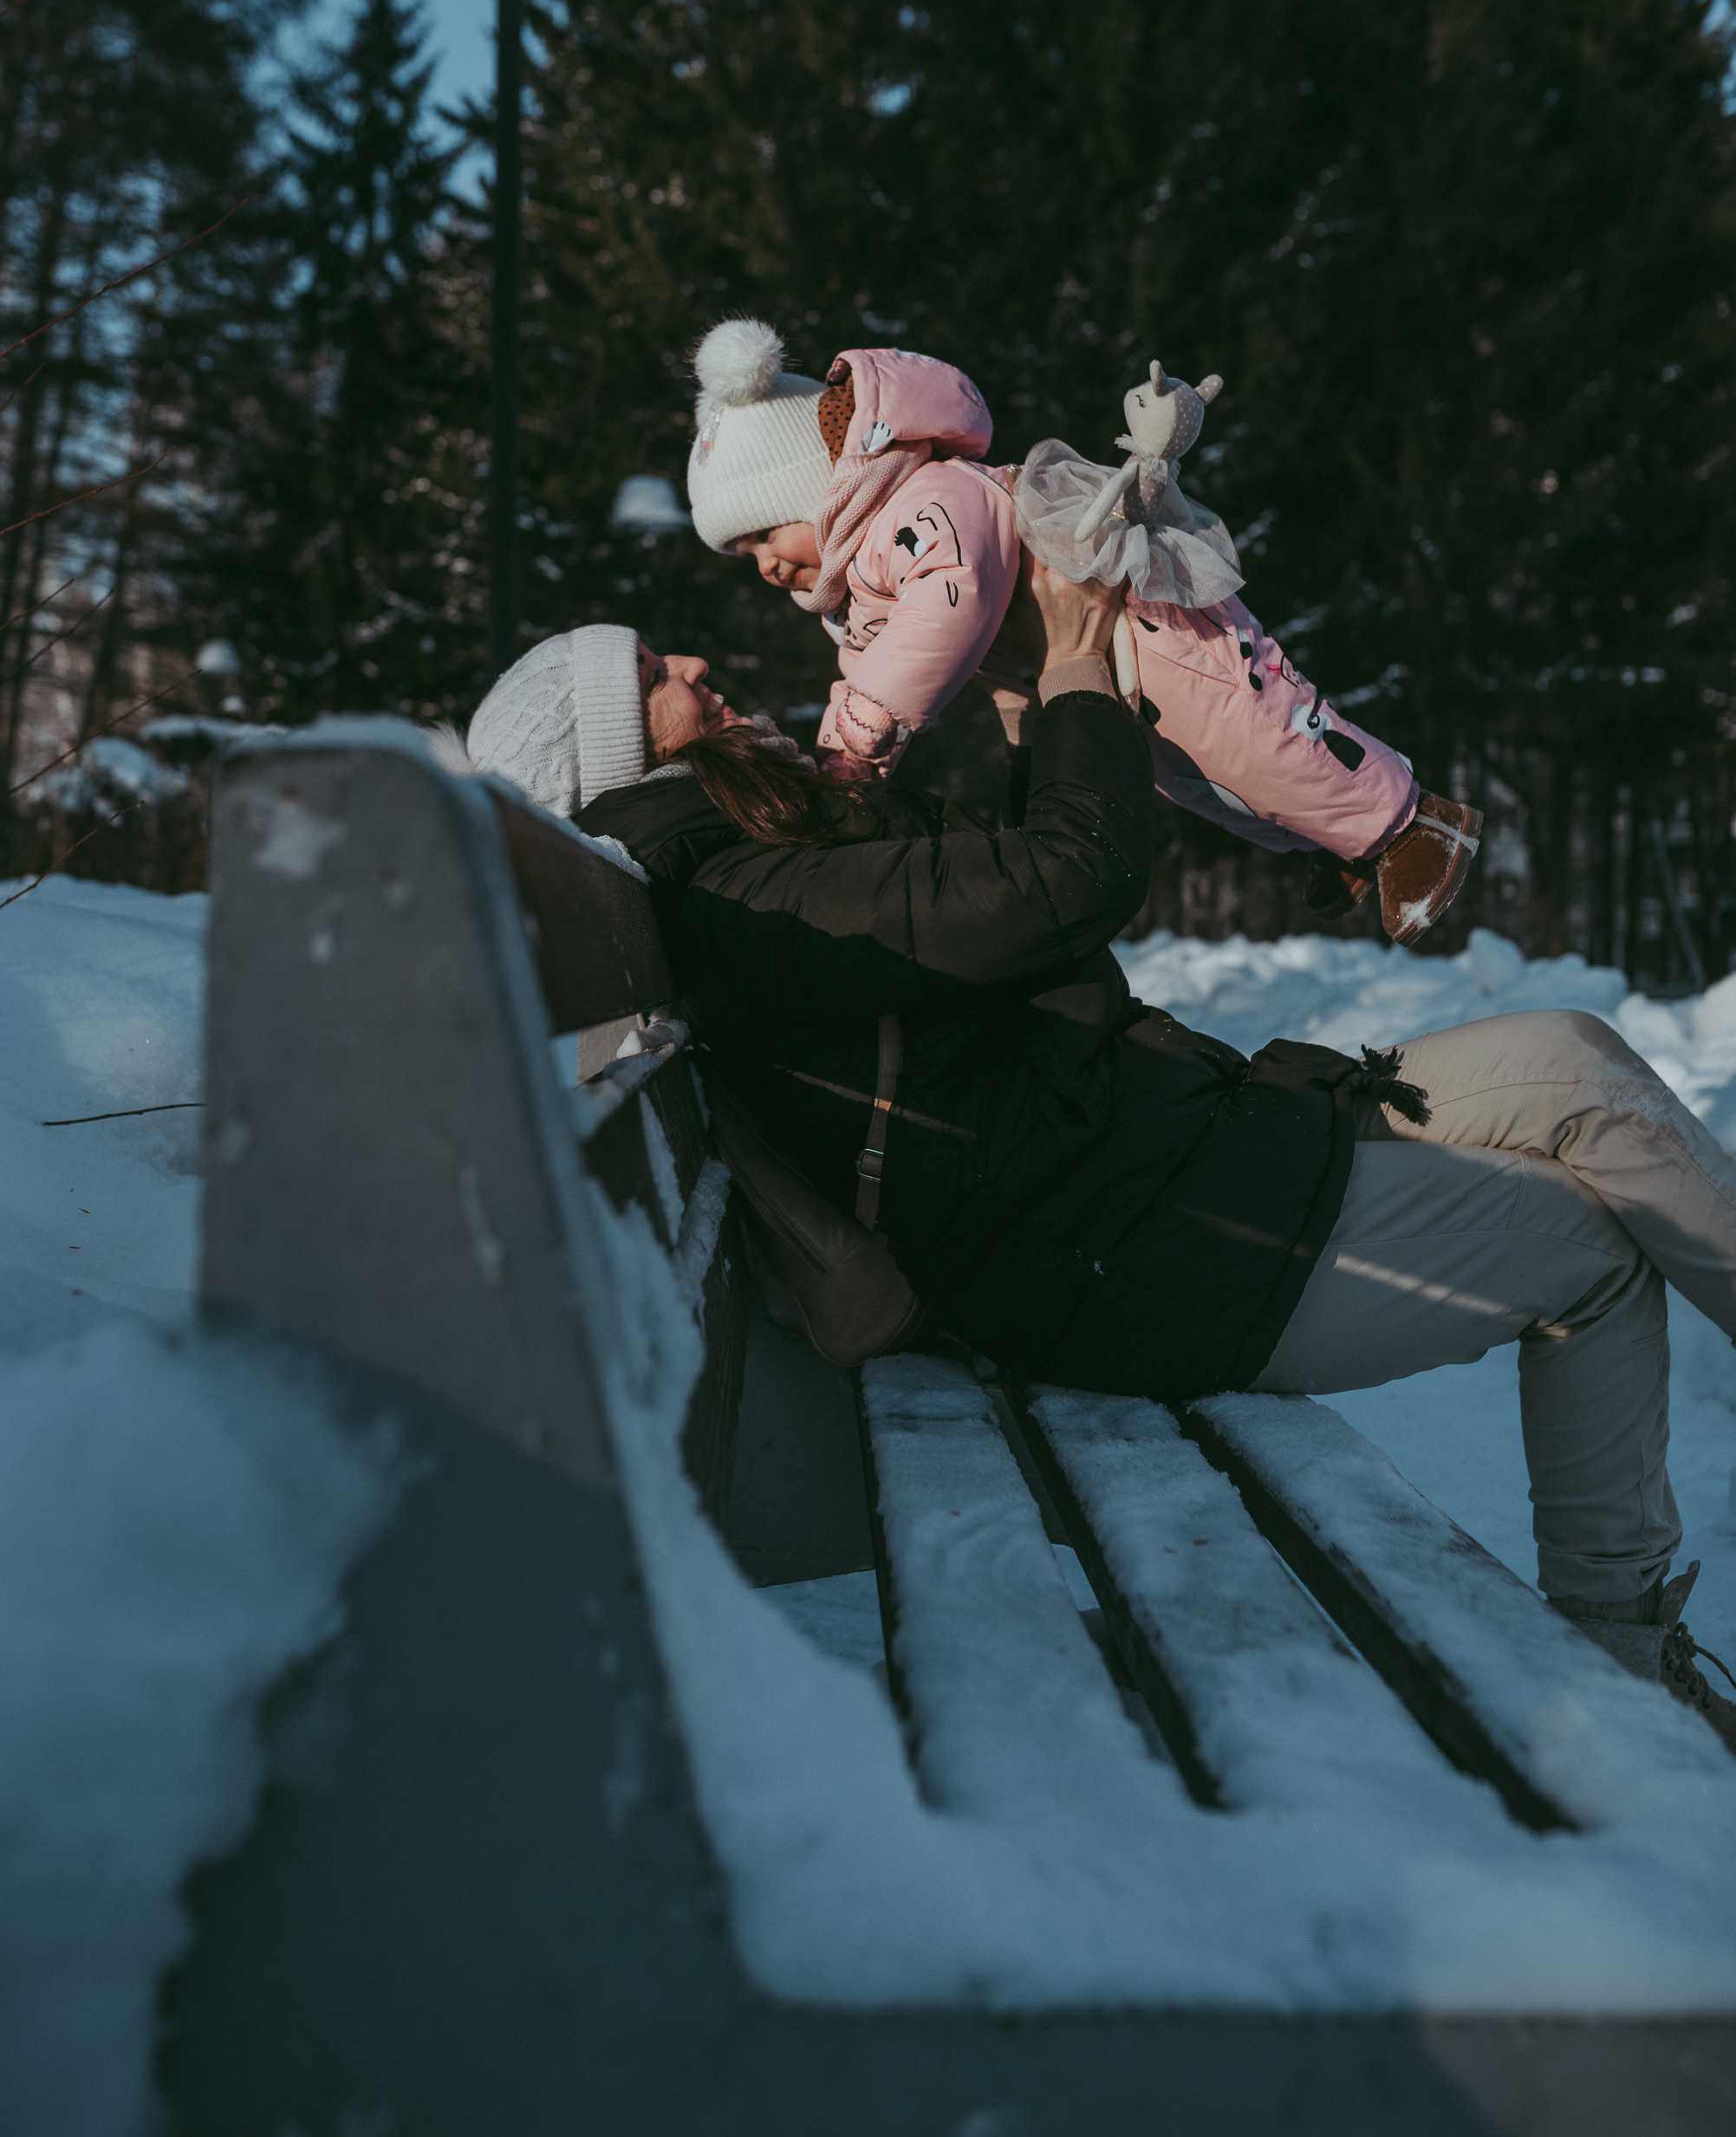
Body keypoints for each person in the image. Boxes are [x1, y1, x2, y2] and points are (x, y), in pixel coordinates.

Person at [465, 592, 1736, 1750]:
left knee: (1570, 1056)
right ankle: (1618, 1660)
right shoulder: (745, 907)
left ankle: (1621, 1639)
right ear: (613, 756)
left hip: (1147, 1164)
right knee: (1590, 1259)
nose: (690, 661)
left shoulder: (748, 879)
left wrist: (1037, 694)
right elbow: (1069, 877)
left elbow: (999, 907)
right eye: (648, 675)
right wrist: (1074, 665)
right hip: (1135, 1245)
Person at [681, 316, 1478, 940]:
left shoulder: (925, 500)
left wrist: (864, 731)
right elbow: (867, 673)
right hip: (1103, 665)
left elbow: (947, 604)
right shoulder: (862, 578)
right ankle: (1332, 843)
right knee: (1197, 777)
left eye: (764, 535)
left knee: (1256, 734)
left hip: (1149, 627)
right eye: (741, 553)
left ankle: (1413, 828)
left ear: (820, 489)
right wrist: (842, 769)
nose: (762, 566)